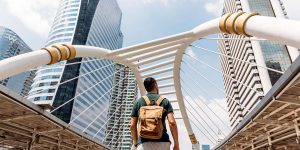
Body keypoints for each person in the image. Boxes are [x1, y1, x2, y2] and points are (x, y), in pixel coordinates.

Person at [130, 77, 179, 150]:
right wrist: (176, 144)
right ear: (155, 85)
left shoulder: (138, 102)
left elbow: (132, 125)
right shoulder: (165, 101)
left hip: (144, 144)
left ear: (146, 88)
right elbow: (172, 123)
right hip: (163, 143)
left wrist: (135, 142)